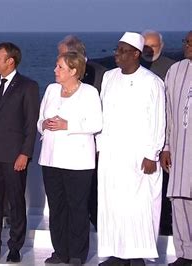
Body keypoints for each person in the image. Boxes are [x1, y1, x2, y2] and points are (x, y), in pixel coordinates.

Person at [96, 32, 165, 266]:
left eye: (122, 51)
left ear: (136, 54)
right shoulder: (109, 77)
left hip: (138, 155)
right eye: (116, 49)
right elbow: (103, 113)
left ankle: (137, 256)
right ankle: (116, 253)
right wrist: (99, 147)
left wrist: (151, 154)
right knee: (112, 205)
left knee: (138, 207)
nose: (117, 54)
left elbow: (157, 120)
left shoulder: (152, 82)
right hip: (111, 155)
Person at [0, 42, 39, 263]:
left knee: (15, 203)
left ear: (10, 61)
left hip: (14, 156)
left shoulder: (28, 87)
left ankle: (15, 247)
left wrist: (25, 153)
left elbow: (31, 125)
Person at [38, 51, 102, 265]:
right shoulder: (51, 90)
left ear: (74, 71)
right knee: (56, 207)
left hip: (78, 162)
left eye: (60, 67)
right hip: (50, 159)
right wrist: (44, 124)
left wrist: (68, 125)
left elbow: (96, 123)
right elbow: (40, 120)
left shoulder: (89, 93)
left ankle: (77, 254)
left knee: (77, 207)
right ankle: (60, 251)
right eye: (56, 66)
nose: (55, 71)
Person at [57, 35, 107, 230]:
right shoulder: (56, 84)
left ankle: (95, 228)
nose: (58, 62)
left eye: (62, 56)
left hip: (93, 145)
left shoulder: (101, 74)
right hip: (67, 148)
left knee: (92, 191)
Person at [160, 31, 192, 266]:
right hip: (179, 152)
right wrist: (166, 146)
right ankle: (185, 254)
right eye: (186, 42)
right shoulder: (176, 70)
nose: (187, 46)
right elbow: (169, 113)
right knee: (179, 201)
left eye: (191, 42)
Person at [141, 30, 176, 237]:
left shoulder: (171, 68)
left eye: (152, 46)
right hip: (140, 139)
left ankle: (166, 226)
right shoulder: (133, 69)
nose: (148, 50)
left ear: (161, 47)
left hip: (166, 137)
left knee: (165, 187)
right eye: (145, 46)